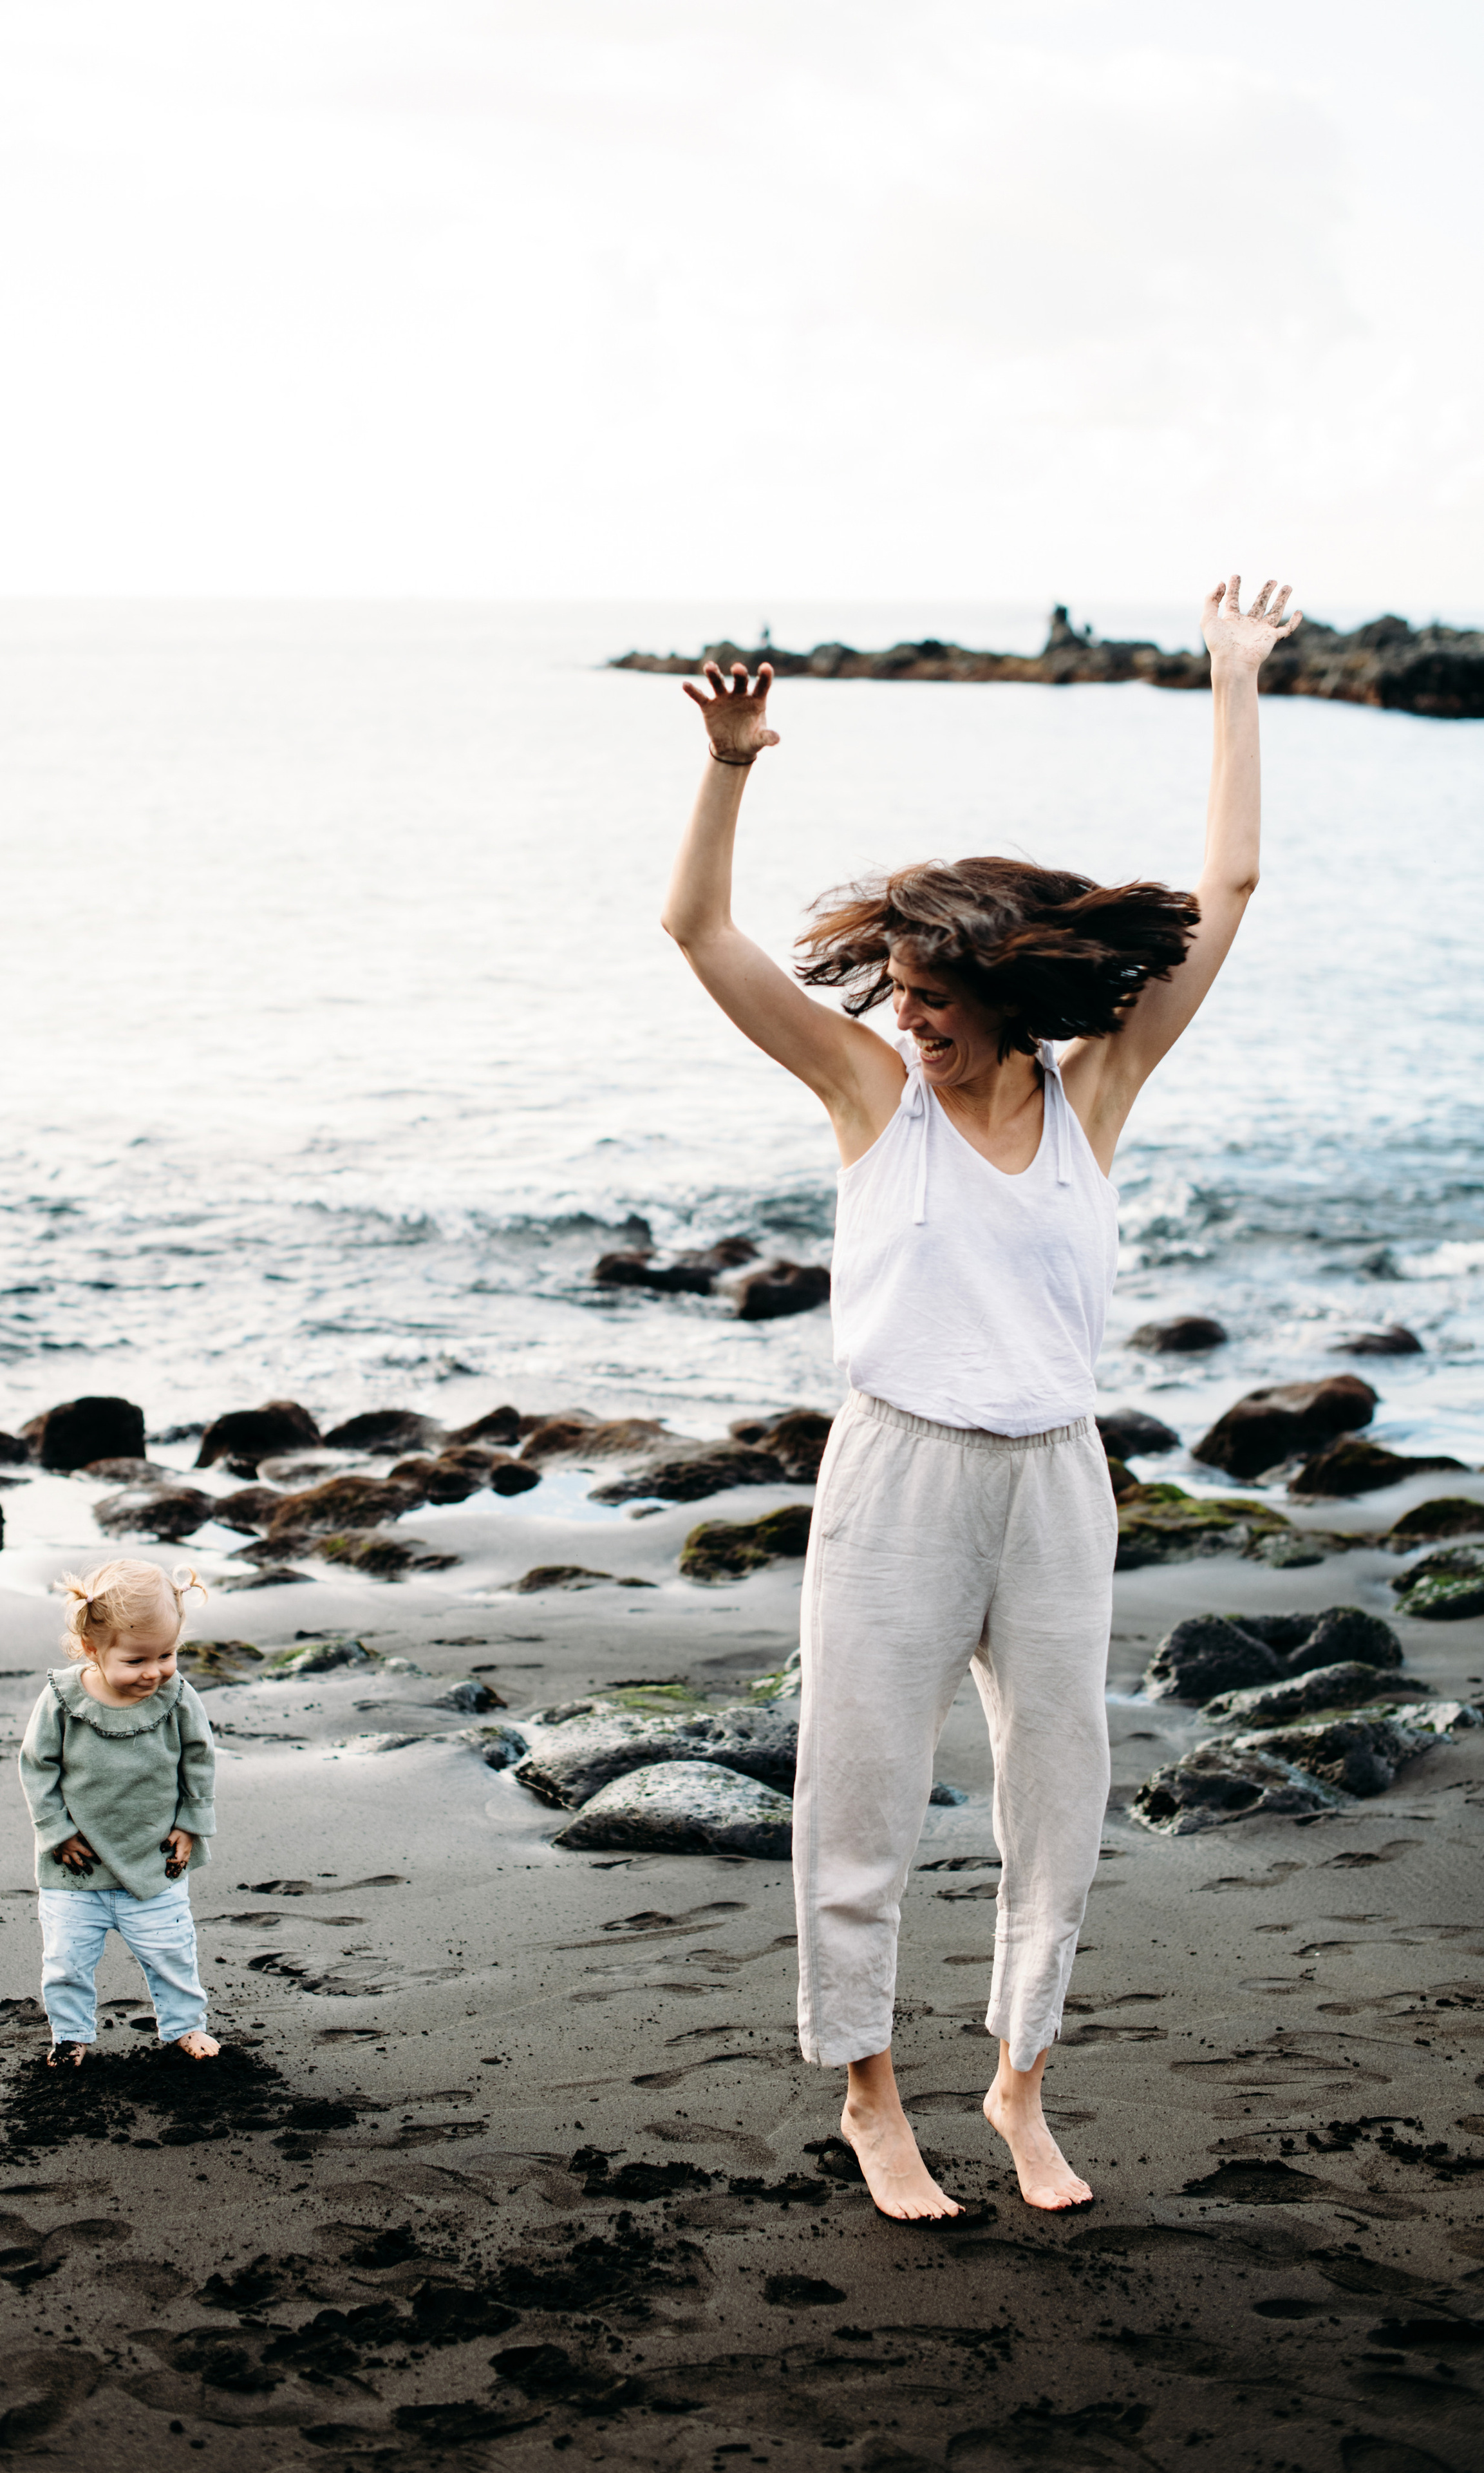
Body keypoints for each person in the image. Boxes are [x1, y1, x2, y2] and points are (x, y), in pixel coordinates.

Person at [661, 576, 1301, 2219]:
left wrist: (1229, 676)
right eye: (898, 1003)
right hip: (897, 1473)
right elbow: (701, 936)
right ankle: (871, 2092)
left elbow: (1224, 880)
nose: (910, 1028)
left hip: (1052, 1479)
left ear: (1008, 1004)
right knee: (861, 1782)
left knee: (1056, 1792)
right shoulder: (871, 1092)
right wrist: (731, 764)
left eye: (937, 1008)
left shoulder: (1097, 1087)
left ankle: (1016, 2079)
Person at [19, 1558, 221, 2067]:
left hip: (155, 1859)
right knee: (65, 1962)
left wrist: (191, 1823)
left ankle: (184, 2028)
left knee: (173, 1954)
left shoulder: (176, 1697)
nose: (154, 1671)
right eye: (136, 1660)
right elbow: (37, 1767)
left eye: (168, 1654)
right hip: (75, 1864)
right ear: (92, 1648)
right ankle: (70, 2038)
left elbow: (199, 1758)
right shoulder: (61, 1701)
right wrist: (56, 1831)